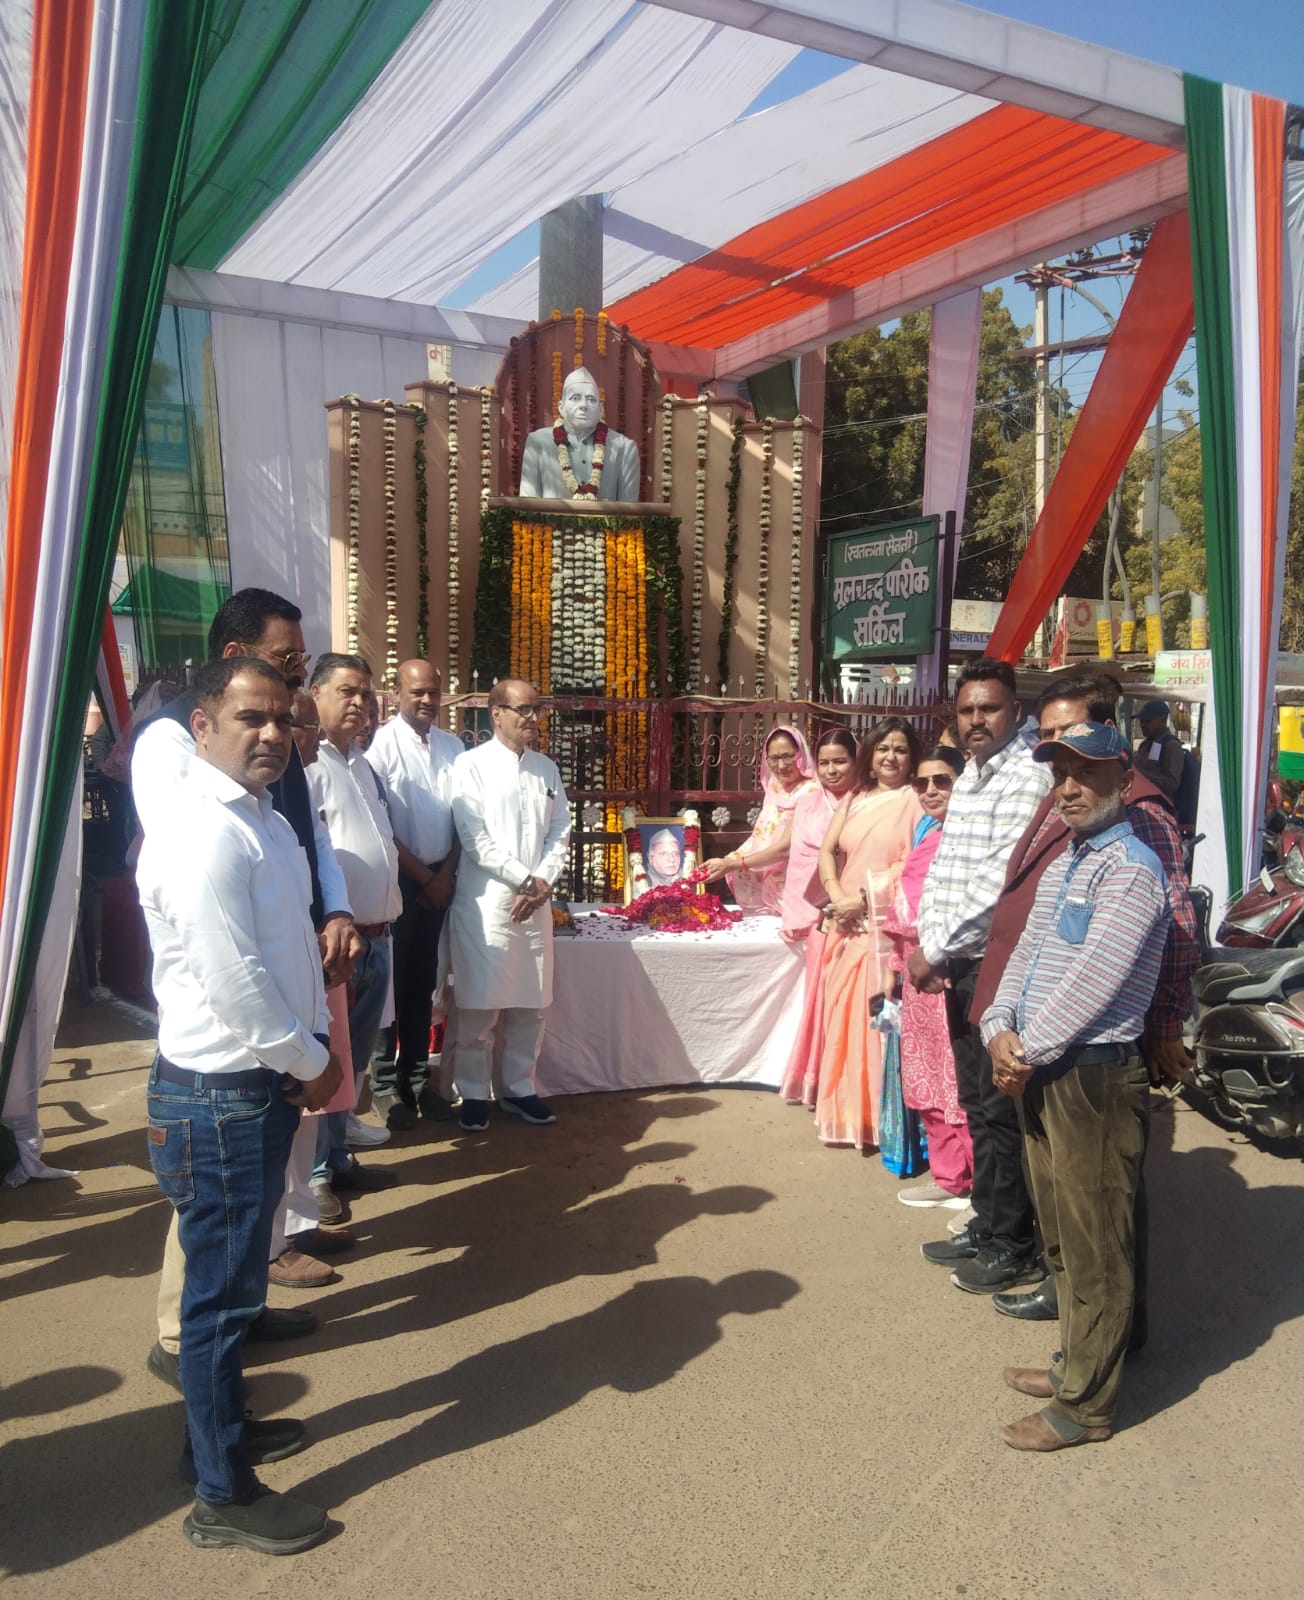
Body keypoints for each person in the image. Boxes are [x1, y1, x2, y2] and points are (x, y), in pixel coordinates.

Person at [138, 657, 343, 1553]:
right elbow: (234, 985)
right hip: (219, 1094)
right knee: (218, 1308)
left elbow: (285, 946)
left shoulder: (260, 819)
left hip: (255, 1085)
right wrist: (313, 1062)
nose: (271, 734)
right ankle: (221, 1496)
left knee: (232, 1290)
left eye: (283, 720)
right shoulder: (201, 830)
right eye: (251, 717)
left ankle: (214, 1442)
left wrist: (306, 1052)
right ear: (202, 725)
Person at [135, 589, 363, 1379]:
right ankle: (186, 1345)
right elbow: (212, 918)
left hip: (278, 1010)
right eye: (285, 659)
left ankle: (242, 1308)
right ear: (233, 662)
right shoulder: (174, 746)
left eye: (297, 670)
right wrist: (306, 1052)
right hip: (223, 1040)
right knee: (214, 1207)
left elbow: (303, 841)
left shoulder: (274, 744)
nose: (294, 680)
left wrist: (332, 911)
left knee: (250, 1196)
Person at [971, 672, 1200, 1330]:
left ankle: (1108, 1341)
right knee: (1070, 1205)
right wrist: (1001, 1024)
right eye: (1048, 743)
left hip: (1090, 1047)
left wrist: (1164, 1025)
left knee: (1102, 1211)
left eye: (1071, 738)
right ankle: (1082, 1324)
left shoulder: (1140, 822)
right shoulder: (1071, 816)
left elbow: (1167, 932)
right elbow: (1039, 931)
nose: (1063, 770)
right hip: (1041, 1035)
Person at [981, 722, 1170, 1452]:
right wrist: (998, 1025)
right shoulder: (1069, 861)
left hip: (1093, 1074)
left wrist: (1024, 1049)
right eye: (1060, 773)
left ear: (1123, 779)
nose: (1069, 788)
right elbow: (1026, 956)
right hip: (1044, 1066)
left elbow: (1098, 981)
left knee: (1097, 1245)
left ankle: (1086, 1406)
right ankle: (1078, 1362)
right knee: (1062, 1230)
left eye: (1086, 773)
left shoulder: (1133, 869)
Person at [909, 658, 1052, 1294]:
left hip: (998, 964)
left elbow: (997, 882)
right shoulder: (970, 775)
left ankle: (1012, 1242)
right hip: (959, 961)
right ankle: (989, 1221)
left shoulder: (1026, 776)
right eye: (966, 710)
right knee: (976, 1101)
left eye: (988, 708)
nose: (976, 720)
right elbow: (945, 871)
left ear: (1014, 712)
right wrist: (934, 947)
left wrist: (935, 948)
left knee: (999, 1108)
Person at [445, 678, 572, 1133]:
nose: (533, 718)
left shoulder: (546, 769)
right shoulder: (470, 765)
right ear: (496, 713)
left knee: (530, 1005)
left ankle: (519, 1088)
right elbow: (474, 837)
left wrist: (541, 882)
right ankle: (473, 1092)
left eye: (538, 709)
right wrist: (523, 878)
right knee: (479, 1007)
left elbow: (560, 830)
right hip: (487, 906)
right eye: (523, 710)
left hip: (534, 903)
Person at [306, 654, 404, 1217]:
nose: (360, 704)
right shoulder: (308, 766)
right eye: (346, 692)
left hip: (378, 936)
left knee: (356, 1058)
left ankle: (339, 1156)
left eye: (366, 694)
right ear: (315, 694)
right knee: (330, 1056)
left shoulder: (362, 765)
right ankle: (316, 1174)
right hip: (337, 943)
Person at [812, 718, 922, 1149]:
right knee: (841, 1018)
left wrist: (861, 898)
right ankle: (845, 1114)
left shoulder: (914, 800)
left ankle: (880, 1121)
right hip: (845, 921)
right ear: (870, 756)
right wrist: (838, 895)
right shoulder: (855, 798)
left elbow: (913, 864)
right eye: (883, 749)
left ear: (911, 758)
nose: (891, 757)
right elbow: (827, 851)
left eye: (900, 749)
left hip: (882, 929)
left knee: (875, 1022)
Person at [366, 659, 464, 1129]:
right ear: (397, 693)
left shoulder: (454, 747)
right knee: (392, 984)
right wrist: (425, 879)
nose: (426, 700)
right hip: (401, 882)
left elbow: (466, 818)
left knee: (424, 982)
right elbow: (381, 825)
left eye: (433, 692)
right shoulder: (380, 747)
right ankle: (386, 1086)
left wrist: (445, 875)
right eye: (417, 692)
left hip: (442, 880)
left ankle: (418, 1078)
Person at [885, 743, 972, 1207]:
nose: (931, 790)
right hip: (917, 976)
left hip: (947, 973)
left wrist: (939, 960)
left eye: (943, 781)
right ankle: (948, 1176)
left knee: (957, 1080)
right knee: (927, 1077)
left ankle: (975, 1184)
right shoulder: (929, 831)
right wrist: (896, 967)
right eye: (922, 783)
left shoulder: (968, 838)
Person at [778, 728, 859, 1107]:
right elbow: (797, 862)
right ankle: (817, 1079)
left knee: (852, 1001)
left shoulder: (867, 801)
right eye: (824, 762)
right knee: (820, 996)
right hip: (817, 915)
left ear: (857, 761)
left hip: (859, 911)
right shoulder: (808, 802)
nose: (831, 770)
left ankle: (849, 1085)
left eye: (840, 761)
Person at [700, 726, 818, 913]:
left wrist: (732, 864)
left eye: (788, 756)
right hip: (769, 883)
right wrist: (726, 861)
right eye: (774, 758)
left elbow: (785, 848)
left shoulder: (811, 792)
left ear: (801, 755)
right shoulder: (775, 787)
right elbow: (760, 837)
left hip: (798, 887)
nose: (781, 766)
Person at [520, 366, 640, 501]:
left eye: (591, 399)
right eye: (575, 398)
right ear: (561, 407)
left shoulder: (624, 448)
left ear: (601, 410)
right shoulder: (538, 443)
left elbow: (628, 510)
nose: (583, 405)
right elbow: (527, 506)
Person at [1132, 699, 1184, 800]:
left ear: (1163, 720)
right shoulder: (1145, 744)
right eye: (1141, 721)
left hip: (1159, 804)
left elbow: (1172, 784)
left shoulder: (1172, 746)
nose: (1143, 725)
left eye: (1148, 721)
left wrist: (1141, 775)